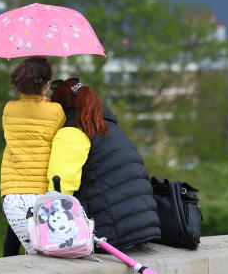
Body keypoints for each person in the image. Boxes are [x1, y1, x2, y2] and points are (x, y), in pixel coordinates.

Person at [46, 77, 160, 249]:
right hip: (144, 226)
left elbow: (60, 191)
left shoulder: (72, 132)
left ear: (61, 108)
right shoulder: (111, 129)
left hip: (112, 235)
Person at [0, 56, 67, 255]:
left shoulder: (9, 109)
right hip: (42, 195)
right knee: (45, 252)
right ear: (46, 86)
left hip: (12, 193)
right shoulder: (56, 111)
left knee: (15, 239)